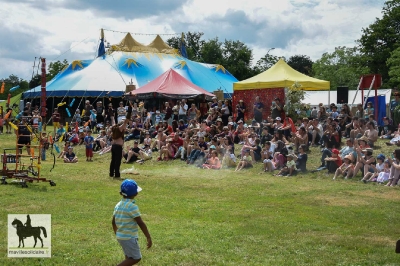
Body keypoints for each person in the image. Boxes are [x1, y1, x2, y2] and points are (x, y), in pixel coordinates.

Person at [112, 179, 152, 266]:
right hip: (129, 237)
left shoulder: (118, 205)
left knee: (129, 256)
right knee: (136, 258)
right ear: (136, 193)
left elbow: (113, 221)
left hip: (121, 236)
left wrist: (116, 232)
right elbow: (140, 223)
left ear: (121, 193)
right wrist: (148, 237)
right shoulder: (132, 206)